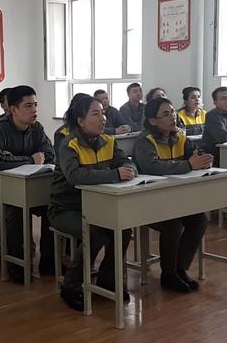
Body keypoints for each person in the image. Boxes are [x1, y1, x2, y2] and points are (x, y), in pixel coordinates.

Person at [48, 94, 134, 311]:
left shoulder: (108, 141)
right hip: (66, 209)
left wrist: (128, 169)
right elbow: (75, 176)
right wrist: (113, 174)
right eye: (96, 114)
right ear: (80, 121)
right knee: (94, 231)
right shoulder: (69, 144)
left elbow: (125, 162)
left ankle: (107, 279)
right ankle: (70, 287)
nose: (103, 118)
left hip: (99, 205)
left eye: (103, 113)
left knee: (122, 228)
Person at [133, 98, 213, 292]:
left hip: (174, 199)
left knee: (199, 219)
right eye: (166, 114)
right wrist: (188, 165)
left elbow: (193, 156)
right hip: (147, 201)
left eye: (173, 113)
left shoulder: (179, 136)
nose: (172, 117)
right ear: (153, 121)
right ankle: (168, 274)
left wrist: (202, 159)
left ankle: (180, 269)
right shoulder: (145, 141)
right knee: (173, 225)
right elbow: (152, 166)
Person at [0, 85, 55, 282]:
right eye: (28, 106)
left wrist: (15, 158)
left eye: (36, 105)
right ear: (13, 109)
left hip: (30, 190)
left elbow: (50, 154)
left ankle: (48, 261)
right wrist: (30, 159)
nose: (34, 110)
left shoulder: (37, 128)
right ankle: (15, 264)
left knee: (53, 207)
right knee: (14, 210)